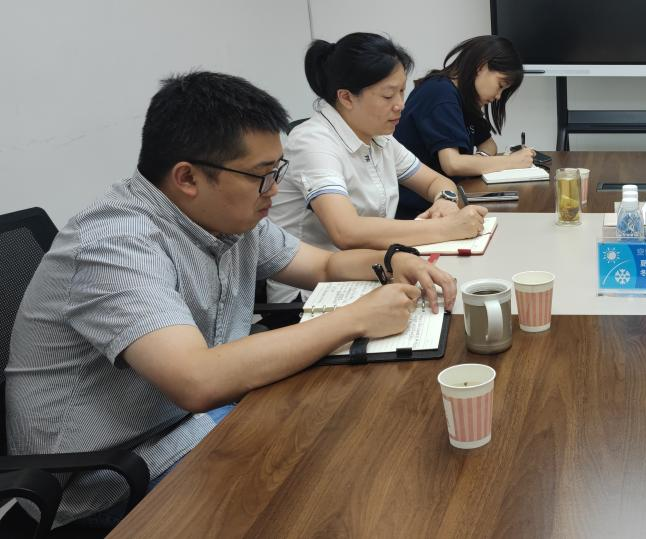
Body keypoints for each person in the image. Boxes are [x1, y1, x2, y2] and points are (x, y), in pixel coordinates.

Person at [4, 71, 457, 529]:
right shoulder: (115, 244)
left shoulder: (228, 217)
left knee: (354, 445)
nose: (275, 190)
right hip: (111, 482)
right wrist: (354, 319)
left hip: (192, 425)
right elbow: (197, 380)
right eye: (262, 175)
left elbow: (322, 266)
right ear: (188, 177)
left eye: (277, 171)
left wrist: (392, 259)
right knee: (326, 498)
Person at [269, 32, 487, 304]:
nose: (400, 105)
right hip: (311, 294)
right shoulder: (313, 142)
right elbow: (346, 231)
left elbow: (437, 182)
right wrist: (447, 228)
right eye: (388, 95)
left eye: (402, 91)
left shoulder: (379, 137)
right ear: (346, 98)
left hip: (374, 272)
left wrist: (445, 200)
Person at [393, 35, 532, 219]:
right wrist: (511, 161)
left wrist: (479, 161)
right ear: (481, 66)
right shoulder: (440, 93)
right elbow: (453, 164)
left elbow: (488, 144)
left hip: (446, 201)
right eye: (500, 85)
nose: (498, 96)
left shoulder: (465, 97)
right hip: (417, 212)